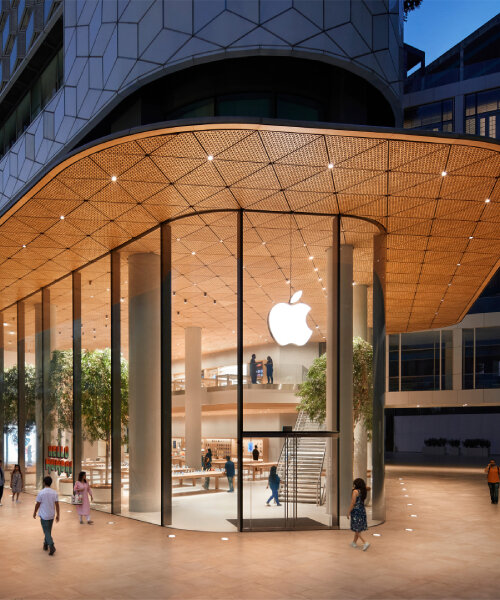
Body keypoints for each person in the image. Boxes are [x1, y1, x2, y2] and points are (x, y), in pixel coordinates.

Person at [33, 476, 59, 556]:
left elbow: (38, 504)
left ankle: (51, 545)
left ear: (44, 483)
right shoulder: (54, 493)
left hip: (44, 515)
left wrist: (34, 512)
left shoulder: (41, 492)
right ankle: (45, 544)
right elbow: (57, 505)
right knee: (48, 531)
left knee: (46, 531)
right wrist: (58, 515)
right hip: (51, 514)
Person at [348, 478, 369, 551]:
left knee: (356, 528)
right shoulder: (363, 491)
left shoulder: (355, 491)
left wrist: (348, 512)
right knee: (358, 527)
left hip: (356, 511)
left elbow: (353, 503)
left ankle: (365, 542)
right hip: (362, 510)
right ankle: (354, 542)